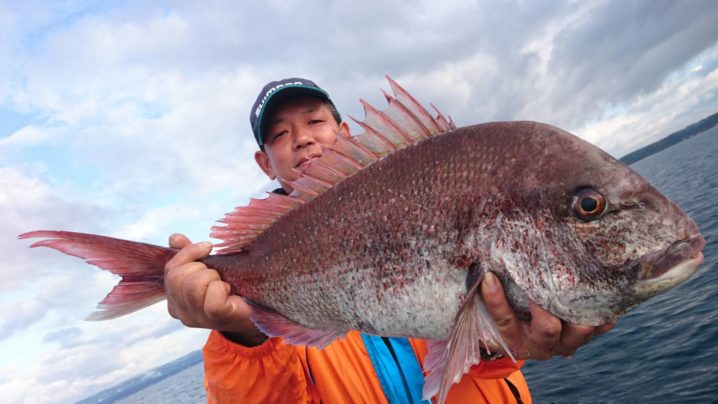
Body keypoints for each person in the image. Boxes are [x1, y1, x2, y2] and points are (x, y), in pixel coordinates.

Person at [163, 78, 614, 403]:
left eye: (315, 120)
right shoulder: (266, 264)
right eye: (280, 135)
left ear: (344, 134)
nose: (301, 139)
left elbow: (479, 349)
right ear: (266, 165)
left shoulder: (423, 187)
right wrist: (242, 335)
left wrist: (509, 338)